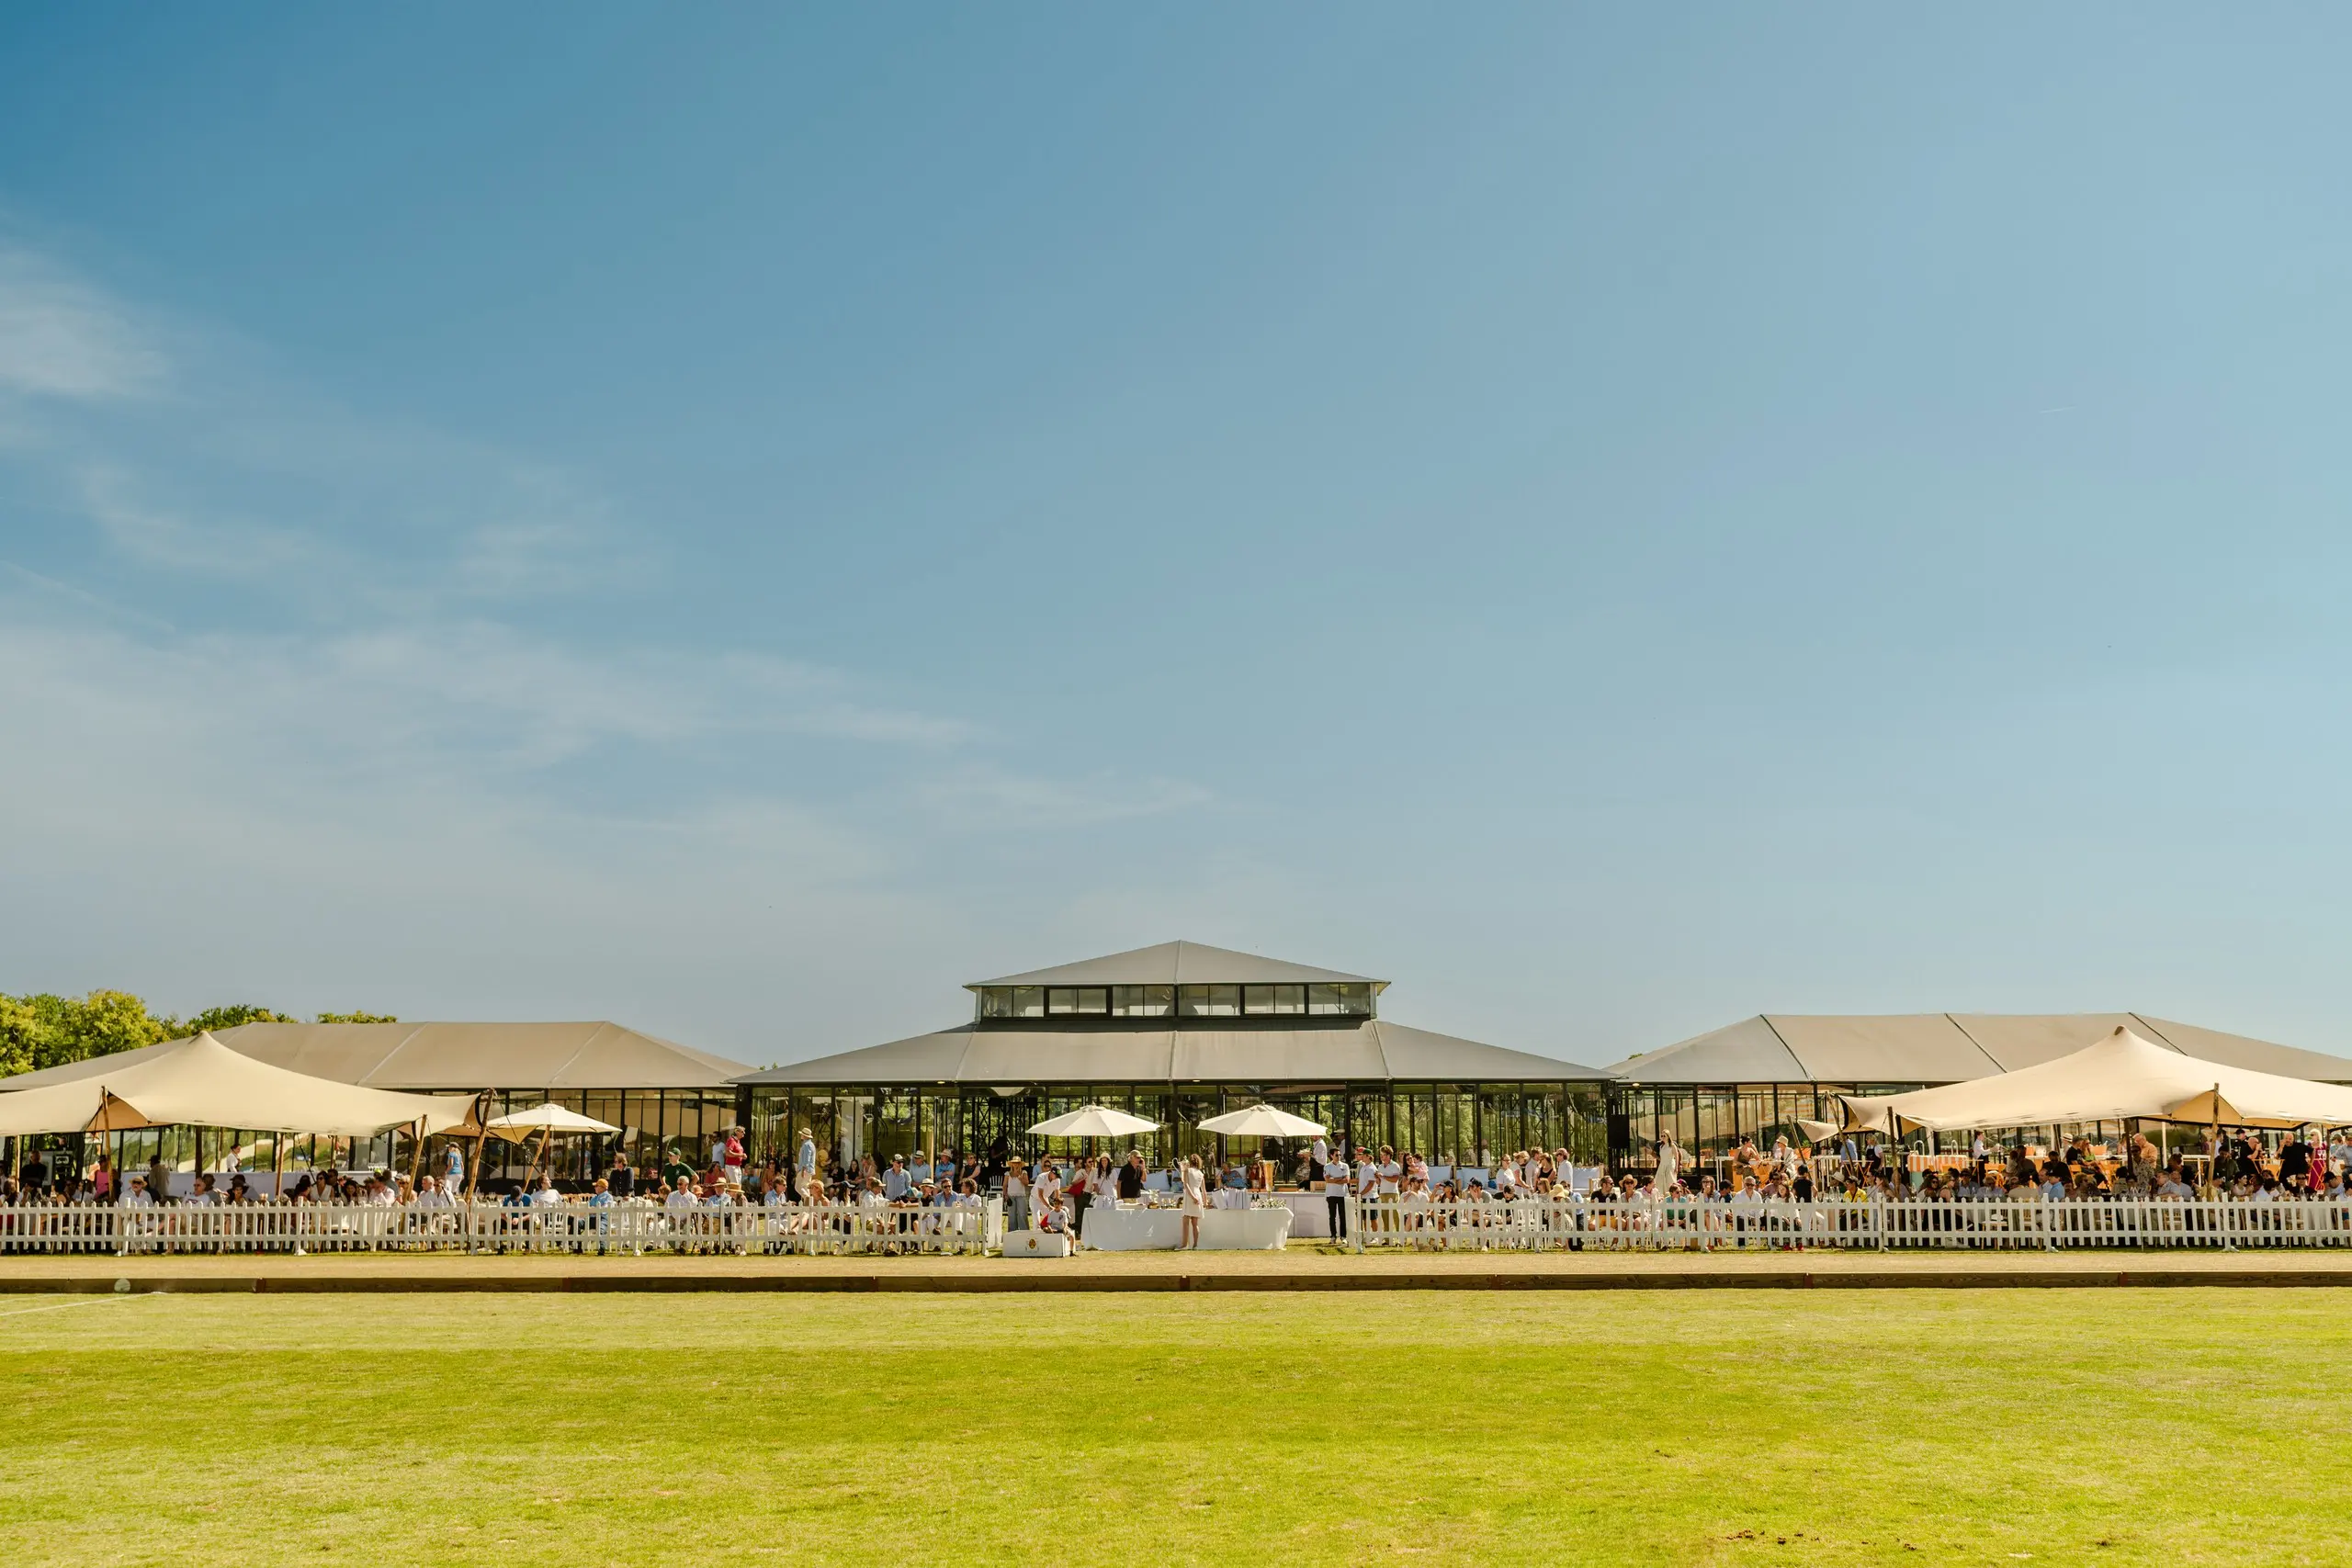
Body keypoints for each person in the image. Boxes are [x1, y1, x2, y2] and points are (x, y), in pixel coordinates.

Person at [1179, 1155, 1206, 1249]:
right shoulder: (1201, 1173)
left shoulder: (1187, 1171)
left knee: (1185, 1220)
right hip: (1198, 1195)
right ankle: (1195, 1245)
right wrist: (1205, 1202)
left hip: (1191, 1195)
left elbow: (1186, 1184)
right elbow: (1204, 1190)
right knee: (1195, 1223)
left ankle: (1184, 1245)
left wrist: (1193, 1197)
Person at [1322, 1147, 1351, 1240]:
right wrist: (1340, 1178)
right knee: (1332, 1216)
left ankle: (1343, 1236)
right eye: (1336, 1155)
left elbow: (1347, 1180)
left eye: (1339, 1155)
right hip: (1331, 1194)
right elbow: (1327, 1180)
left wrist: (1333, 1179)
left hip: (1342, 1194)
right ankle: (1333, 1236)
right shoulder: (1327, 1166)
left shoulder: (1345, 1166)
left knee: (1343, 1216)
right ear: (1331, 1156)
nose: (1339, 1157)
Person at [1003, 1156, 1031, 1232]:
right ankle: (1012, 1232)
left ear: (1020, 1164)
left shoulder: (1023, 1172)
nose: (1015, 1164)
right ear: (1011, 1164)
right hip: (1010, 1196)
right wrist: (1005, 1195)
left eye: (1017, 1163)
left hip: (1021, 1196)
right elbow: (1005, 1185)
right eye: (1014, 1163)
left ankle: (1024, 1231)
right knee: (1012, 1215)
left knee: (1022, 1214)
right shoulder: (1008, 1174)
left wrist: (1020, 1177)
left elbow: (1026, 1183)